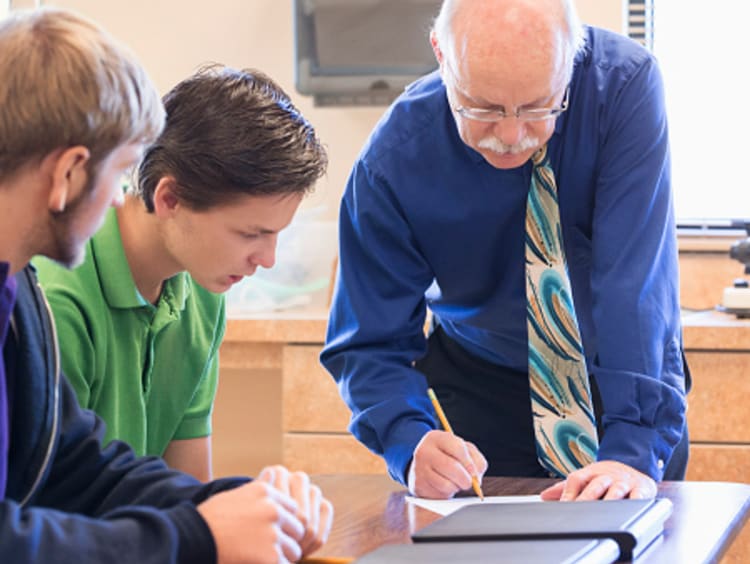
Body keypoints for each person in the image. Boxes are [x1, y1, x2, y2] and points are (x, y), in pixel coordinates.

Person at [321, 0, 689, 502]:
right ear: (441, 55)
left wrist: (630, 454)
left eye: (540, 106)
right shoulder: (395, 159)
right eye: (485, 108)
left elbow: (635, 287)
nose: (513, 136)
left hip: (620, 387)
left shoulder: (622, 87)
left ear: (571, 60)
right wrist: (409, 439)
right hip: (480, 397)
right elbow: (367, 339)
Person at [0, 8, 332, 562]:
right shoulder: (53, 294)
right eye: (121, 170)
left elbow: (80, 464)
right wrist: (195, 536)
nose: (118, 199)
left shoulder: (19, 290)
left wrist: (238, 504)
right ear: (68, 174)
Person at [35, 63, 328, 482]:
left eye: (276, 234)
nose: (267, 259)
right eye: (250, 234)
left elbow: (186, 490)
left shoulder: (204, 292)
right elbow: (50, 511)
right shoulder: (56, 295)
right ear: (169, 198)